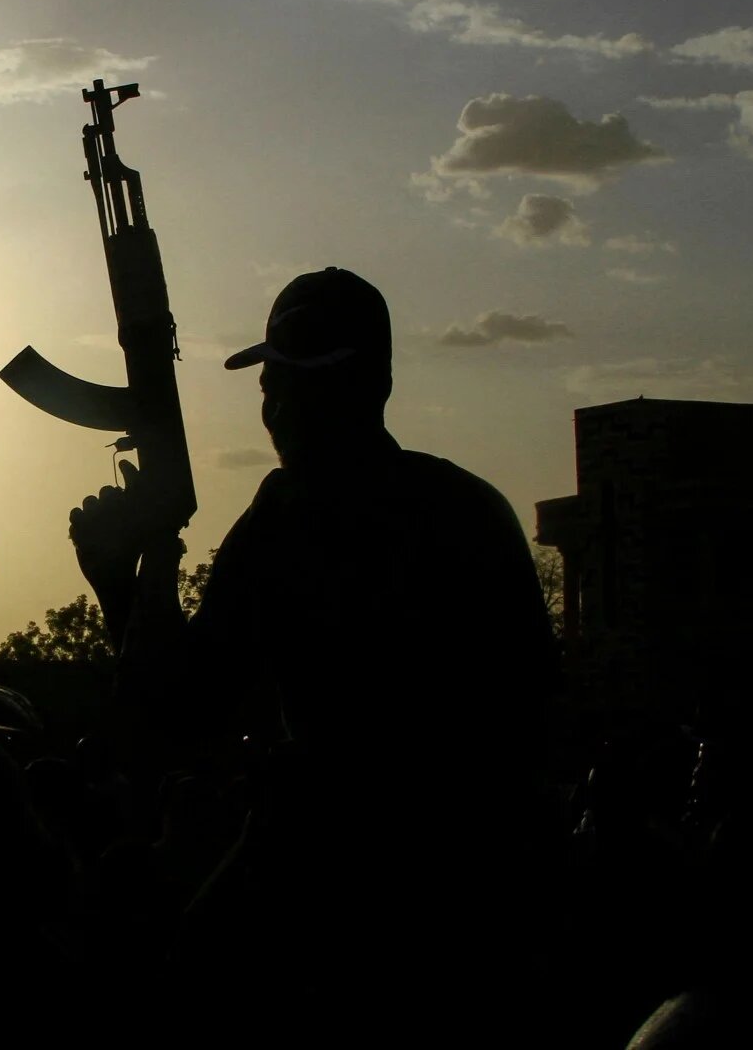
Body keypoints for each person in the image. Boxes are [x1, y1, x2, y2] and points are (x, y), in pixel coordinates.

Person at [69, 267, 556, 1023]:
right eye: (274, 387)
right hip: (465, 884)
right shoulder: (468, 508)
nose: (279, 409)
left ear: (370, 385)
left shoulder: (292, 517)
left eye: (301, 385)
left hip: (350, 871)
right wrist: (128, 580)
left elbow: (173, 717)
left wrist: (144, 567)